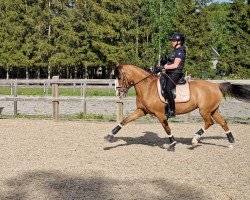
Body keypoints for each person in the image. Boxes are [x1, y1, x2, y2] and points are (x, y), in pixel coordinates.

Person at [160, 33, 186, 118]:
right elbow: (170, 62)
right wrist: (164, 62)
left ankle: (172, 110)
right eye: (172, 40)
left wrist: (164, 67)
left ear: (179, 42)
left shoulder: (180, 52)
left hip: (176, 73)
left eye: (174, 40)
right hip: (170, 72)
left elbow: (175, 65)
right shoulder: (174, 51)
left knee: (168, 89)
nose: (172, 42)